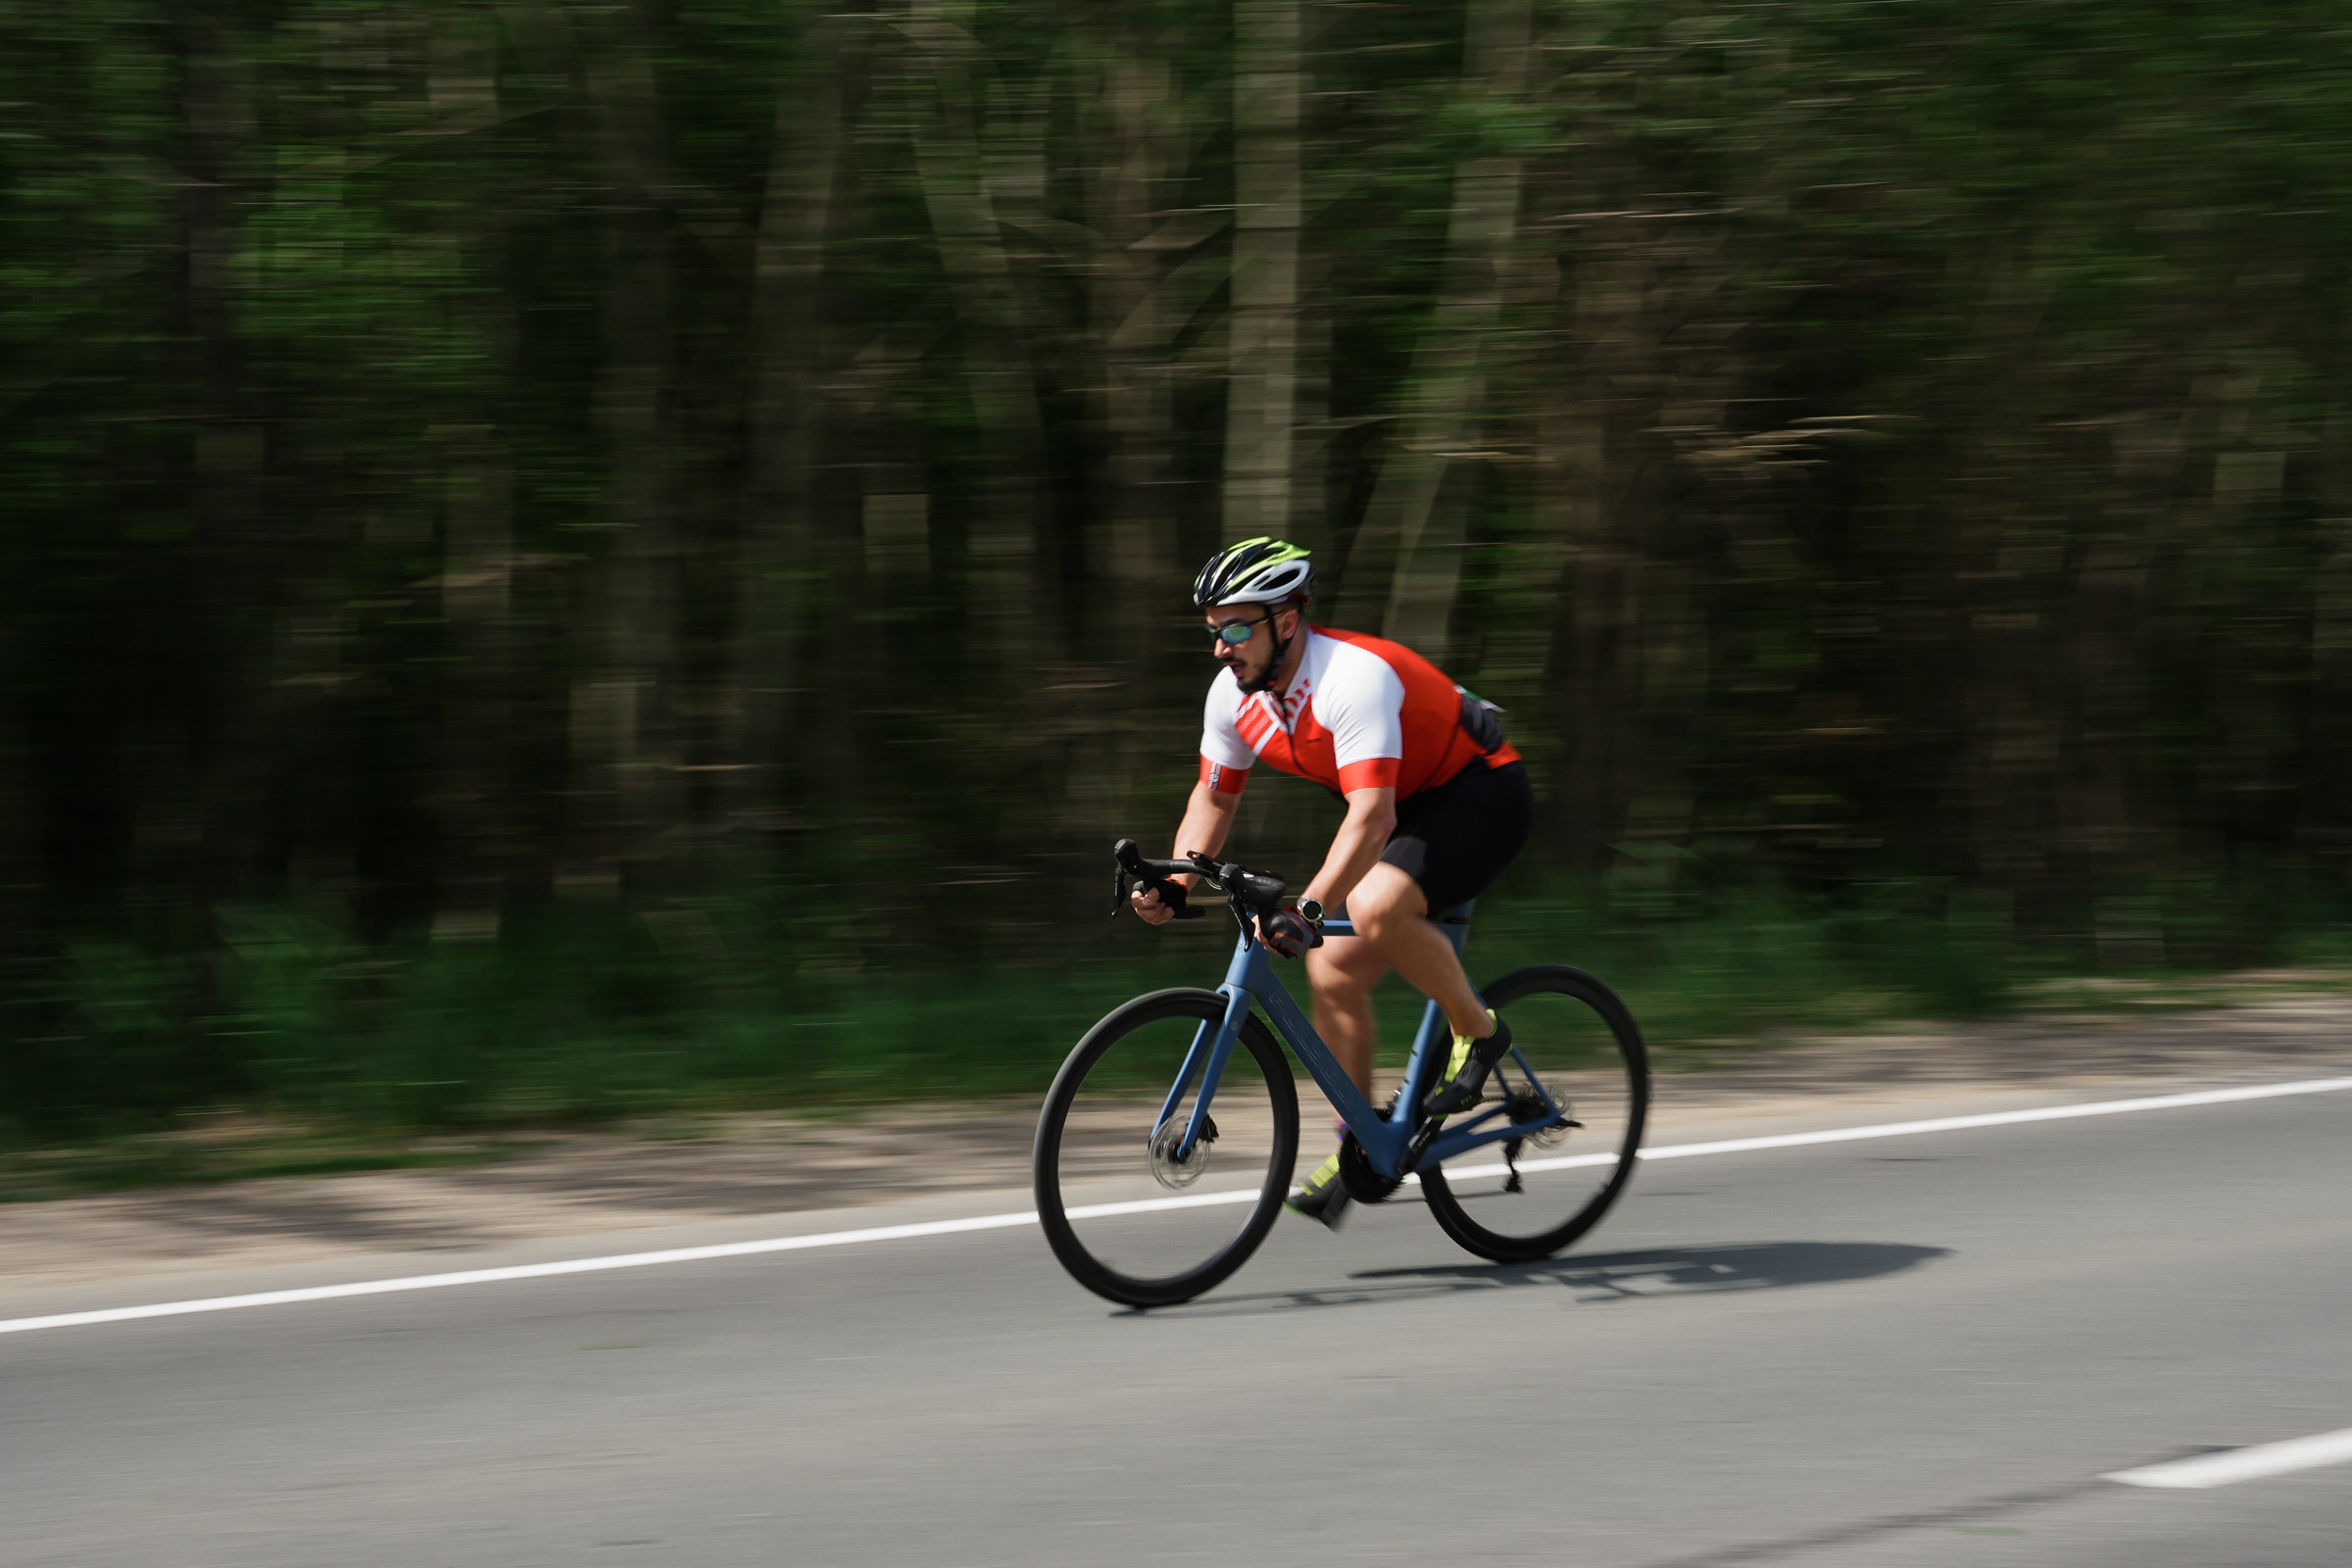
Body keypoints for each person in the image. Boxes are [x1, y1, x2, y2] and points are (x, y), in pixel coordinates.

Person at [1130, 537, 1535, 1228]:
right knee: (1335, 972)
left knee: (1373, 909)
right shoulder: (1235, 695)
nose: (1221, 648)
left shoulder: (1351, 677)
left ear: (1286, 620)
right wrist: (1178, 881)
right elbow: (1214, 799)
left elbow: (1371, 817)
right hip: (1407, 804)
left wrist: (1310, 907)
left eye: (1235, 628)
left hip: (1479, 789)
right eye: (1212, 631)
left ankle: (1479, 1031)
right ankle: (1367, 1146)